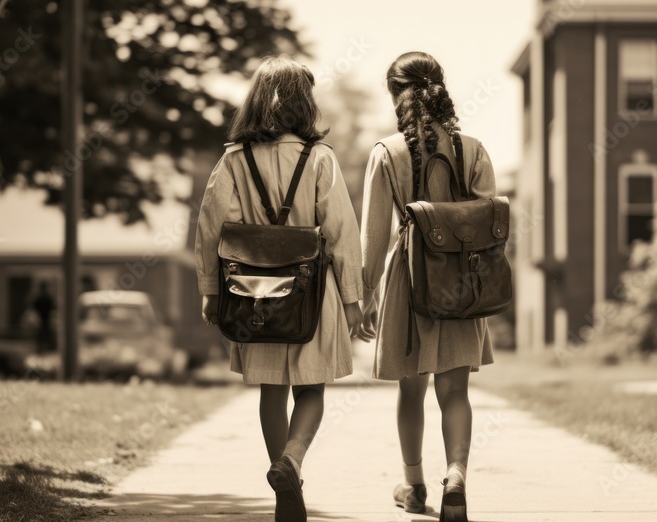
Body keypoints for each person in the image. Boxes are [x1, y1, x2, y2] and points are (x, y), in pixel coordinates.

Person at [194, 55, 363, 522]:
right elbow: (343, 231)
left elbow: (211, 226)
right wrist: (352, 300)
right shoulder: (320, 159)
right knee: (311, 391)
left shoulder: (232, 160)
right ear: (303, 104)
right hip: (312, 294)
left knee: (272, 391)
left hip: (252, 295)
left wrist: (211, 289)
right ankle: (292, 461)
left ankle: (280, 480)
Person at [359, 52, 496, 522]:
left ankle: (414, 486)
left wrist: (362, 296)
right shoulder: (473, 149)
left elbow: (373, 236)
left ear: (397, 95)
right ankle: (456, 475)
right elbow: (489, 223)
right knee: (455, 392)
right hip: (463, 281)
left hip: (408, 282)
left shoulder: (386, 152)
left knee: (411, 390)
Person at [32, 281, 56, 352]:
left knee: (42, 338)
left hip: (43, 321)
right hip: (43, 321)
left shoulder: (42, 298)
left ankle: (42, 351)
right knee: (44, 338)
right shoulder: (45, 298)